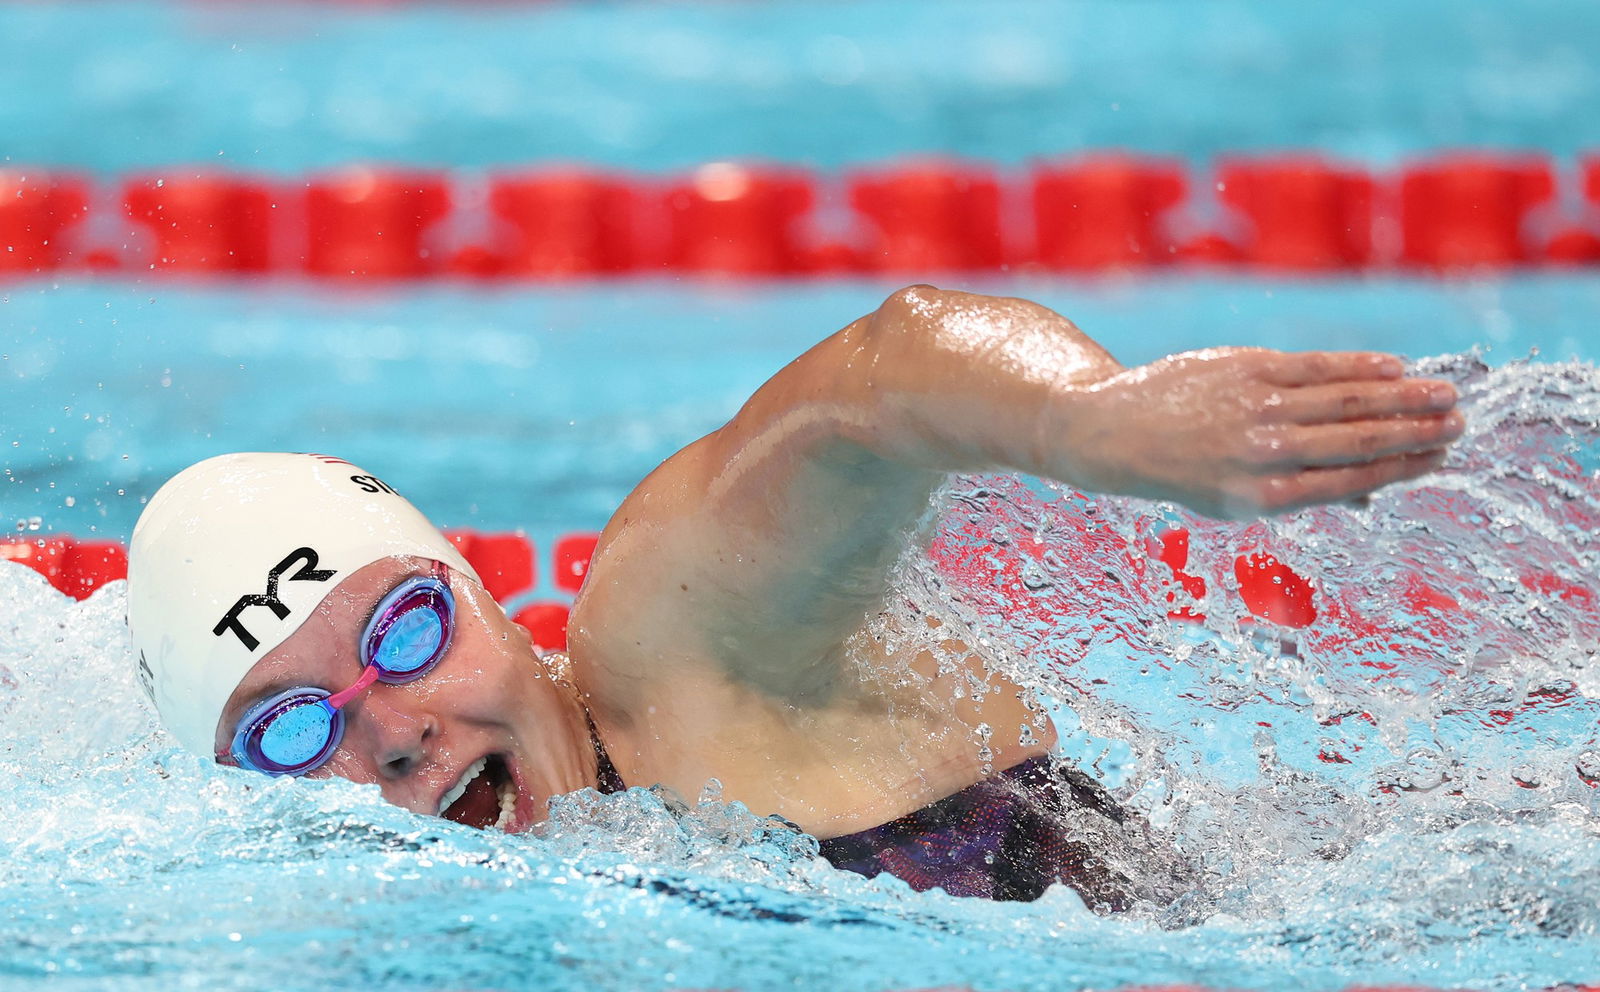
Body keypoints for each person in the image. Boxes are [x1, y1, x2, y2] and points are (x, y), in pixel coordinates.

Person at [126, 286, 1464, 908]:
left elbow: (873, 381)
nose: (393, 731)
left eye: (401, 633)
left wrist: (1089, 423)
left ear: (486, 598)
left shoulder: (682, 642)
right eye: (293, 731)